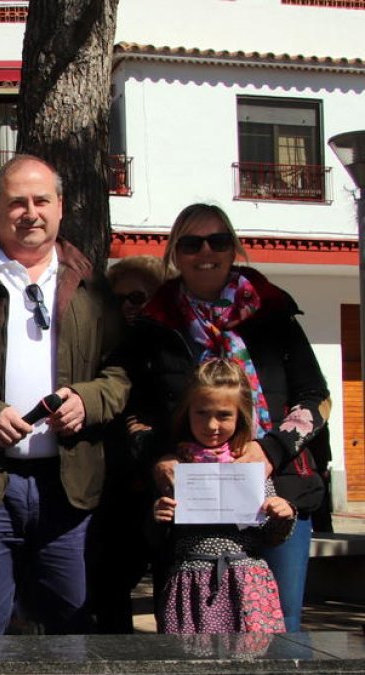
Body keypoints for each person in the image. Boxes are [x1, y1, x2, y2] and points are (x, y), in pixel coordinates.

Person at [0, 155, 129, 635]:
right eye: (17, 202)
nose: (30, 212)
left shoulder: (91, 283)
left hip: (69, 485)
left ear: (60, 207)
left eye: (41, 200)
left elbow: (121, 371)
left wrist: (89, 399)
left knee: (70, 624)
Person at [125, 203, 329, 632]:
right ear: (175, 254)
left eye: (217, 241)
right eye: (191, 242)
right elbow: (133, 413)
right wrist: (158, 457)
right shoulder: (153, 326)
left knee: (277, 631)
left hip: (275, 489)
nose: (206, 251)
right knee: (189, 631)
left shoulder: (272, 315)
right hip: (189, 503)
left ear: (233, 248)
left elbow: (316, 399)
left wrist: (268, 450)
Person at [153, 358, 292, 634]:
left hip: (248, 585)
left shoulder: (250, 464)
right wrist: (158, 515)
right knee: (191, 661)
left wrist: (282, 514)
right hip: (190, 584)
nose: (212, 424)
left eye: (224, 415)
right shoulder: (175, 467)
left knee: (252, 661)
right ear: (187, 413)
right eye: (202, 413)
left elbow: (270, 537)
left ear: (240, 416)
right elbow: (158, 543)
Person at [89, 255, 169, 633]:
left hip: (169, 490)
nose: (127, 307)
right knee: (109, 594)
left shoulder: (175, 347)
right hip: (117, 496)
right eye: (118, 299)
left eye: (137, 297)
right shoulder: (103, 352)